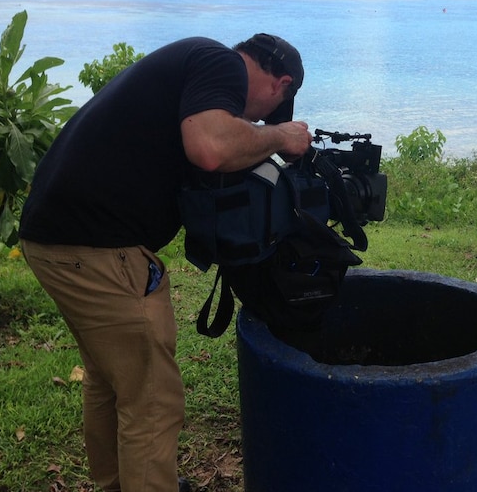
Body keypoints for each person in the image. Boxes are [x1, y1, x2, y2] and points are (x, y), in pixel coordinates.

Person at [19, 34, 313, 492]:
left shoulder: (190, 66)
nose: (251, 121)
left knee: (111, 380)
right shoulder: (222, 64)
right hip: (98, 248)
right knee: (152, 400)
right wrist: (279, 135)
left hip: (54, 239)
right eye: (260, 115)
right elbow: (211, 148)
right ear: (281, 84)